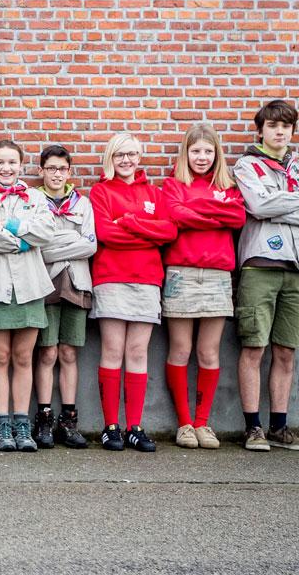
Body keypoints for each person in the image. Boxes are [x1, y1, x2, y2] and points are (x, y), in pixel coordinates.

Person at [233, 100, 299, 451]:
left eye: (286, 126)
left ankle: (279, 426)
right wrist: (298, 200)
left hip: (298, 267)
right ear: (260, 129)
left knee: (286, 351)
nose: (280, 132)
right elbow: (257, 207)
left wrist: (280, 202)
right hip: (260, 265)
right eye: (273, 126)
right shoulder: (247, 166)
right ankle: (253, 428)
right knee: (254, 348)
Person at [89, 133, 178, 453]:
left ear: (140, 158)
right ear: (110, 159)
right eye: (119, 155)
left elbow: (168, 231)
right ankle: (111, 426)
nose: (126, 161)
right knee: (113, 350)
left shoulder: (154, 192)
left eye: (132, 154)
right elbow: (105, 234)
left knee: (138, 353)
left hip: (147, 279)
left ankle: (134, 427)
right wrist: (146, 230)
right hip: (111, 277)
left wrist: (129, 222)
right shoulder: (100, 191)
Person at [160, 124, 247, 450]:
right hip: (182, 273)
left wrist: (200, 211)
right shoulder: (173, 185)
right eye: (195, 151)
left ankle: (202, 422)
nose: (201, 157)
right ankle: (184, 423)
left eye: (208, 151)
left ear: (216, 154)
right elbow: (176, 215)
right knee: (180, 350)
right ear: (186, 153)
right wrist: (216, 215)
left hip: (216, 275)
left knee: (208, 352)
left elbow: (237, 217)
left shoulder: (228, 187)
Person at [0, 140, 54, 452]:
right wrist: (24, 237)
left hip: (30, 285)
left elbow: (46, 231)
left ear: (21, 165)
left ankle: (22, 424)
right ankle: (2, 425)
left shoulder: (35, 196)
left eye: (12, 163)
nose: (6, 168)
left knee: (23, 357)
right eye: (0, 163)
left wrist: (10, 225)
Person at [33, 145, 96, 449]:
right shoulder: (32, 201)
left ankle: (68, 420)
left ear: (69, 172)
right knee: (47, 353)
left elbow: (90, 246)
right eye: (51, 168)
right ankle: (43, 417)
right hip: (45, 284)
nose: (56, 174)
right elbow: (38, 248)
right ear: (40, 170)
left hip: (77, 282)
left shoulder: (82, 204)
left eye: (62, 169)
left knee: (69, 353)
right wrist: (71, 239)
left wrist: (60, 242)